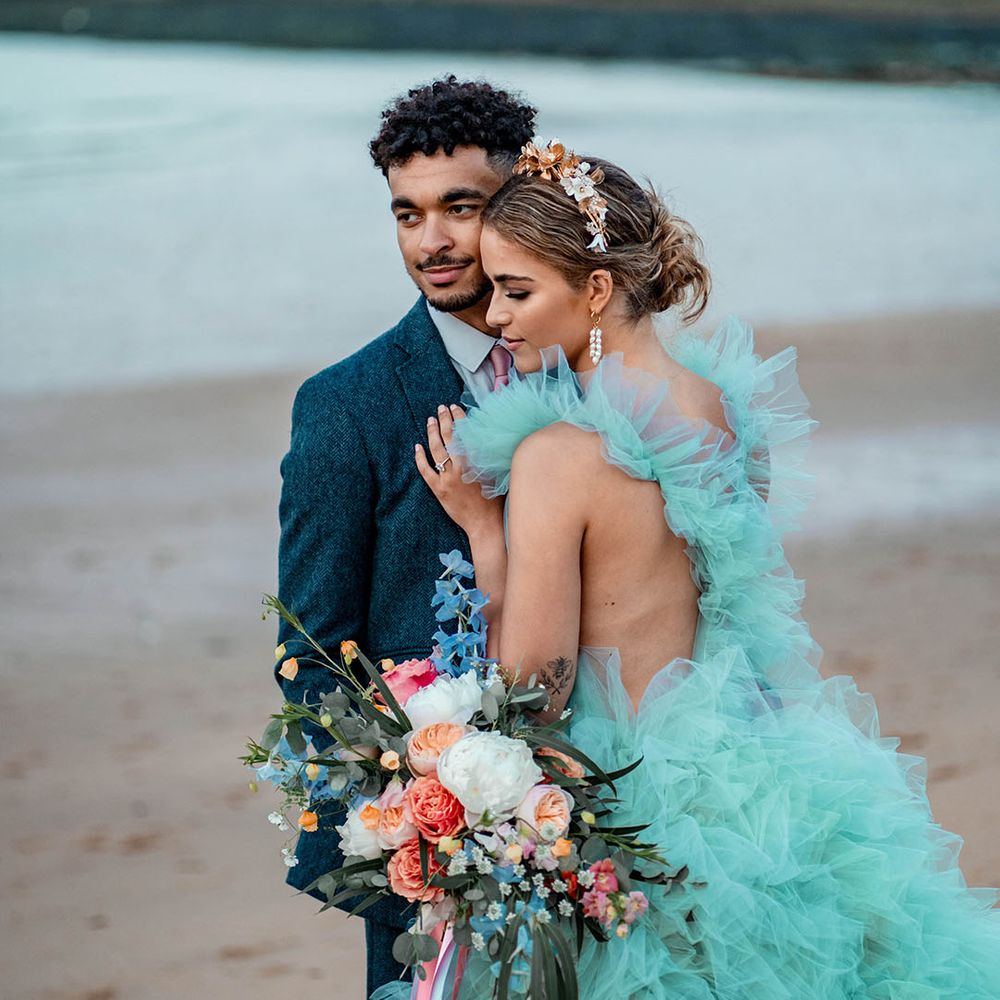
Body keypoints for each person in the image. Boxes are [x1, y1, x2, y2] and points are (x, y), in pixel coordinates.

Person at [415, 141, 1000, 996]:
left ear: (599, 289)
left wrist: (483, 531)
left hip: (627, 794)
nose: (495, 318)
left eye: (517, 291)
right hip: (746, 771)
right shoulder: (720, 410)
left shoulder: (554, 457)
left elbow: (535, 684)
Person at [273, 76, 535, 998]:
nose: (431, 242)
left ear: (522, 199)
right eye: (407, 213)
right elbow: (310, 643)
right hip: (431, 827)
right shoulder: (344, 405)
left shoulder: (582, 375)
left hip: (589, 795)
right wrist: (397, 822)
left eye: (460, 208)